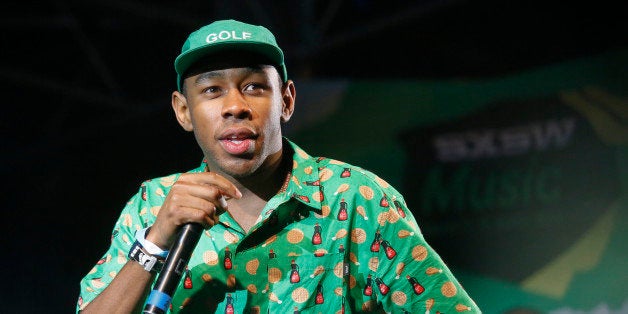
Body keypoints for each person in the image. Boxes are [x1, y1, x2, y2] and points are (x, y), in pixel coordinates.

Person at [77, 19, 480, 313]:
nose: (235, 106)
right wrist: (154, 242)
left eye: (254, 86)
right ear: (184, 111)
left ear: (286, 101)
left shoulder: (358, 198)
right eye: (212, 90)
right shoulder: (153, 204)